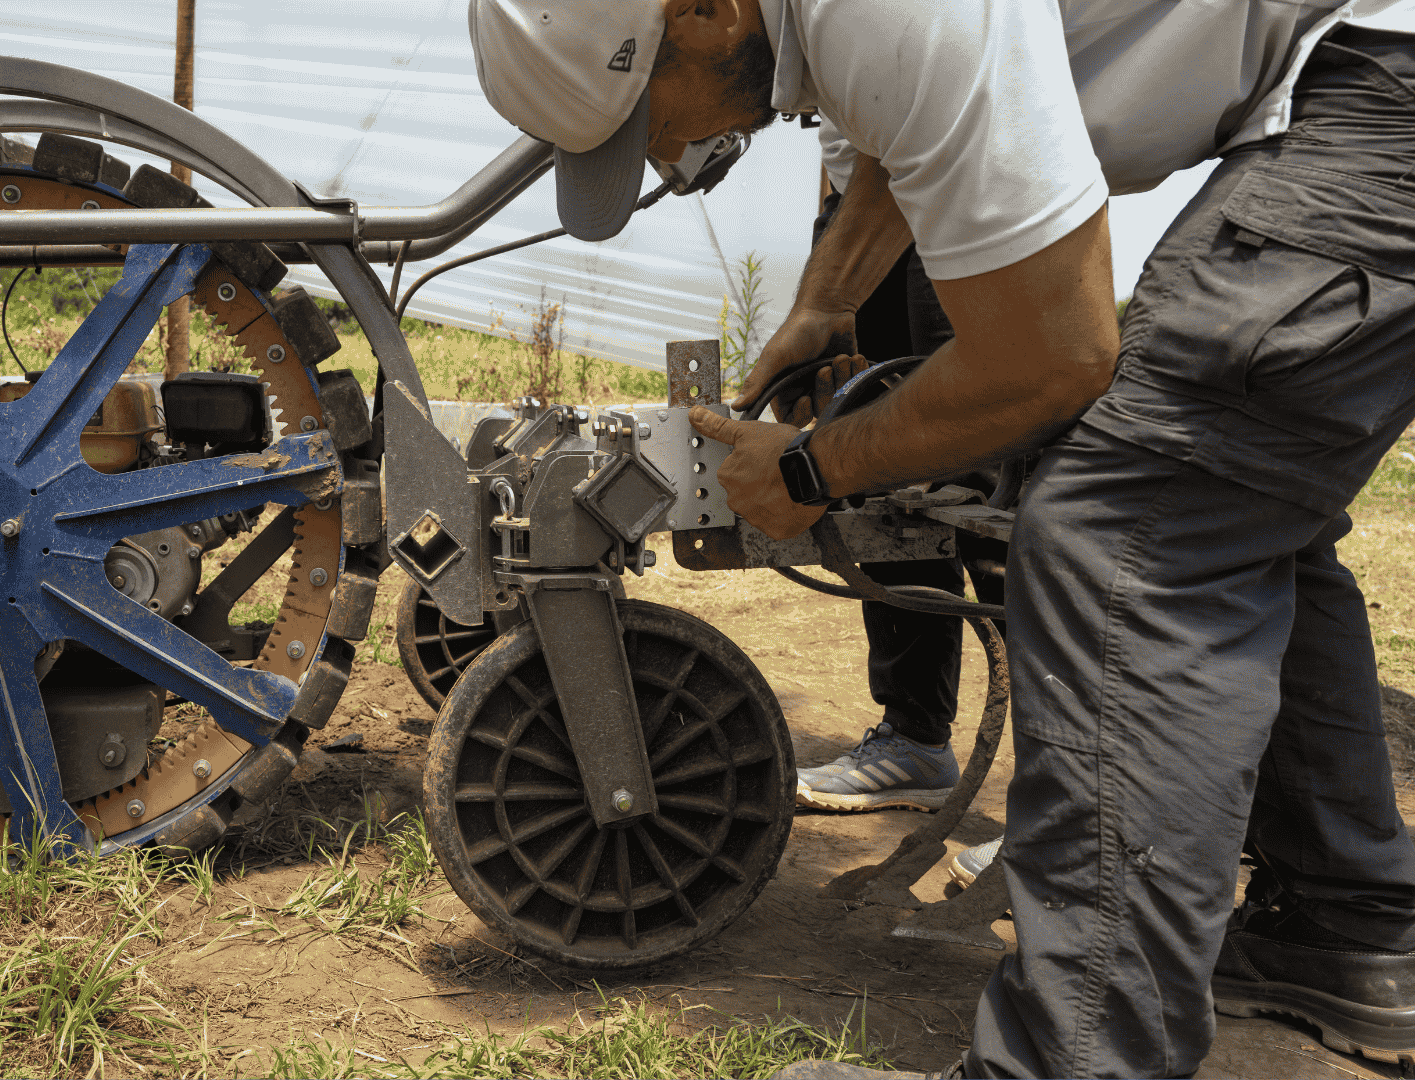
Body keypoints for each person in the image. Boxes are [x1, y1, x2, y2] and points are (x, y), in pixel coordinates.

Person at [468, 1, 1415, 1076]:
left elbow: (1056, 355)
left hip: (1381, 87)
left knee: (1125, 526)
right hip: (1366, 74)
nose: (671, 150)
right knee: (1228, 500)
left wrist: (816, 470)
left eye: (652, 117)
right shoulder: (849, 21)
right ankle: (1348, 933)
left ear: (701, 10)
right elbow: (902, 129)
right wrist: (827, 306)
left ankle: (1076, 1060)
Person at [787, 124, 1013, 818]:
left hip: (953, 185)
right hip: (865, 202)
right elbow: (843, 131)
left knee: (985, 483)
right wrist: (832, 234)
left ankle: (1067, 790)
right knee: (882, 477)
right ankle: (915, 739)